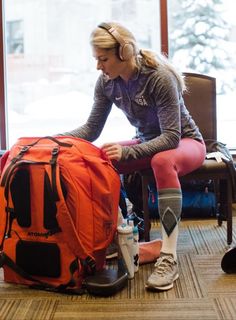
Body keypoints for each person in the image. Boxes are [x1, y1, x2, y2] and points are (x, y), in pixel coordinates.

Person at [61, 21, 206, 291]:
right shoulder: (106, 83)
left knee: (161, 160)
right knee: (101, 157)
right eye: (96, 59)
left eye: (103, 59)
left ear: (124, 53)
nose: (98, 66)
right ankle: (120, 239)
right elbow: (91, 130)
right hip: (148, 142)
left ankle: (169, 257)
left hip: (186, 142)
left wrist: (128, 151)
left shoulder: (158, 77)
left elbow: (171, 137)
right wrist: (55, 140)